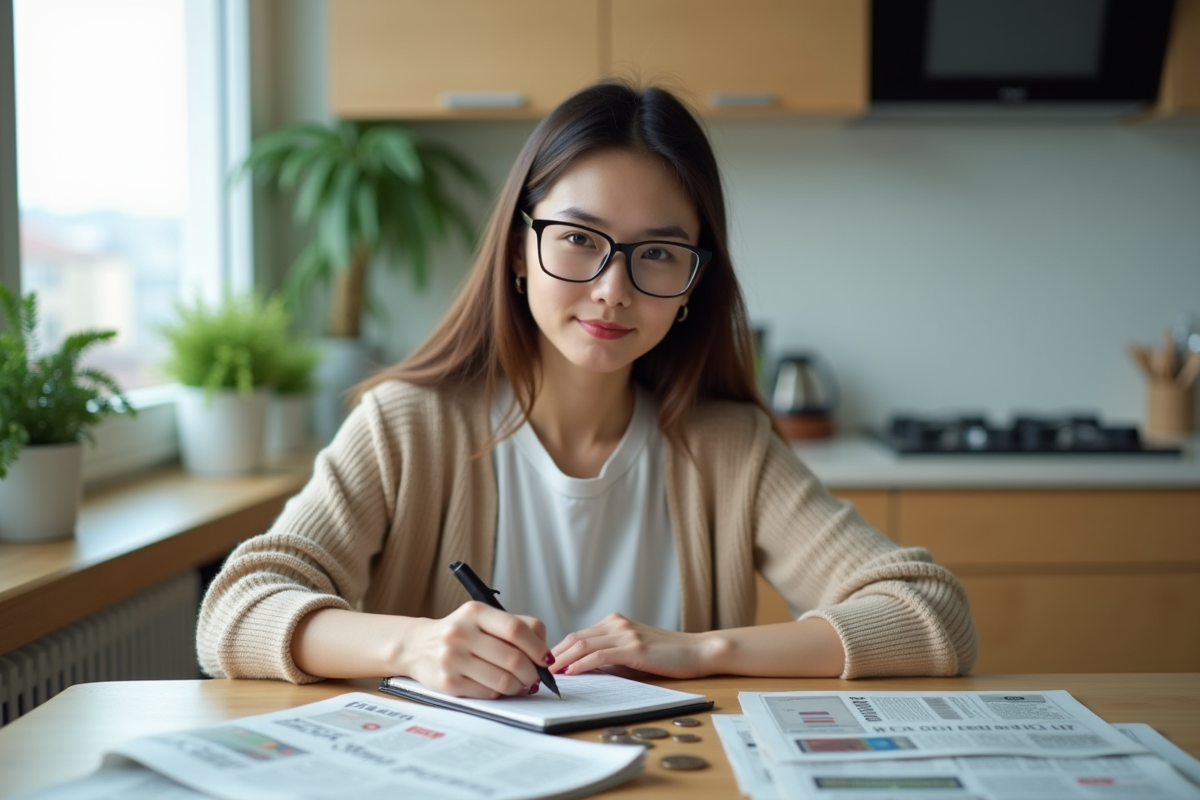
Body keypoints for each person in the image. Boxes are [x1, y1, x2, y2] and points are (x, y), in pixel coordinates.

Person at [197, 81, 977, 699]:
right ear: (517, 252)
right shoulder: (407, 427)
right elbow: (235, 611)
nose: (613, 290)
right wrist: (413, 645)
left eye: (660, 254)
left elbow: (930, 613)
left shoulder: (729, 446)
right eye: (577, 238)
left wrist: (699, 651)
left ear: (693, 285)